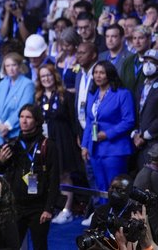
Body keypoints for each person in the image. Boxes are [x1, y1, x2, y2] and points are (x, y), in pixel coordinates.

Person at [0, 104, 60, 250]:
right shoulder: (13, 144)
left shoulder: (48, 145)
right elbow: (4, 172)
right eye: (21, 117)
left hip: (38, 207)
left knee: (39, 246)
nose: (24, 121)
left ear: (37, 121)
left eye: (28, 117)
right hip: (16, 206)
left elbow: (54, 179)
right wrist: (1, 161)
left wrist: (48, 208)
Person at [35, 64, 81, 225]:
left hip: (63, 139)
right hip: (46, 140)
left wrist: (77, 138)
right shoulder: (38, 97)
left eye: (48, 75)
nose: (46, 79)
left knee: (64, 174)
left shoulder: (65, 95)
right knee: (49, 175)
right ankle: (53, 206)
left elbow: (73, 120)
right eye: (43, 77)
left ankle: (67, 209)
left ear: (54, 76)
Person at [81, 60, 135, 193]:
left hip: (114, 149)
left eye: (102, 73)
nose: (98, 76)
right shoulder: (93, 95)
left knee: (115, 189)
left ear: (109, 75)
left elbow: (129, 121)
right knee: (101, 188)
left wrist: (107, 134)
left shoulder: (123, 94)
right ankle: (103, 213)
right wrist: (85, 145)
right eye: (95, 73)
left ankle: (117, 214)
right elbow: (89, 121)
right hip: (95, 149)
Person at [0, 52, 35, 146]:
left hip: (17, 134)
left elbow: (23, 108)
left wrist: (7, 126)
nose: (11, 69)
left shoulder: (28, 84)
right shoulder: (1, 84)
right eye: (7, 66)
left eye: (14, 65)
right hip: (0, 135)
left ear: (19, 66)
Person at [132, 49, 158, 171]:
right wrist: (136, 132)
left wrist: (146, 135)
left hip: (154, 141)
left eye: (152, 62)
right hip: (140, 143)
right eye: (145, 61)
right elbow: (138, 110)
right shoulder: (141, 85)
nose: (147, 65)